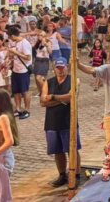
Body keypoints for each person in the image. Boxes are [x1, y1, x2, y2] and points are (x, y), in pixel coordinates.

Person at [40, 57, 81, 187]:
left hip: (68, 120)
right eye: (58, 68)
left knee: (72, 149)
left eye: (62, 67)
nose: (60, 70)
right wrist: (62, 100)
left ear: (67, 67)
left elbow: (71, 97)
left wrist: (52, 97)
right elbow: (42, 102)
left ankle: (76, 174)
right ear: (54, 69)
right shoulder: (49, 82)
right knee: (57, 150)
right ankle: (62, 174)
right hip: (52, 122)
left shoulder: (74, 80)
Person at [7, 27, 32, 119]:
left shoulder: (25, 43)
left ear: (13, 36)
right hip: (15, 70)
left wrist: (15, 52)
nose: (10, 39)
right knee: (16, 91)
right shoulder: (17, 42)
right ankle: (18, 109)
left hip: (23, 70)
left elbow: (28, 57)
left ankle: (27, 110)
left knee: (24, 91)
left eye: (10, 37)